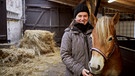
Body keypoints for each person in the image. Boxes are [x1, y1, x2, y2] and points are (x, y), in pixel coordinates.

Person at [60, 3, 93, 76]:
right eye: (80, 16)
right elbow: (65, 55)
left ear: (88, 17)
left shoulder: (94, 33)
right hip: (75, 73)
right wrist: (80, 70)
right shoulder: (68, 34)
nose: (82, 18)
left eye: (85, 16)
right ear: (75, 17)